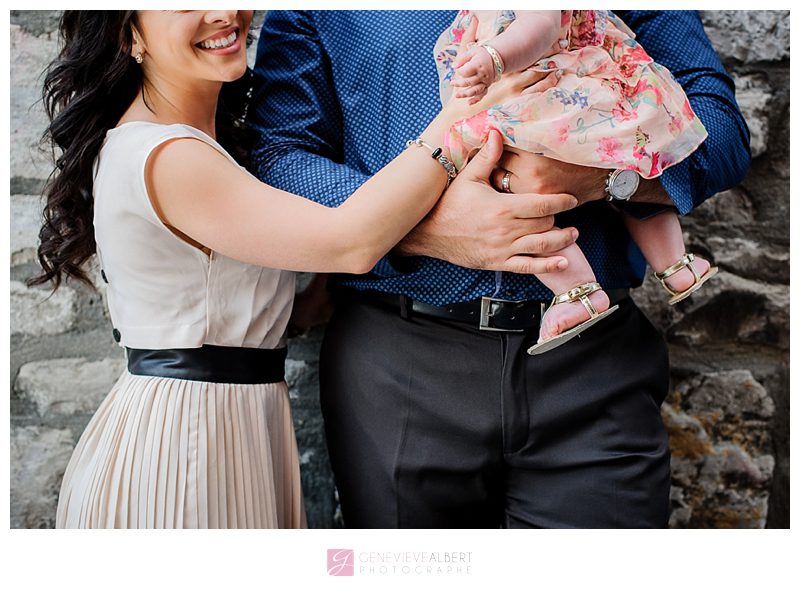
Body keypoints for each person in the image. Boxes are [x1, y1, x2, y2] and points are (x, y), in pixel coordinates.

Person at [37, 10, 574, 529]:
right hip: (184, 435)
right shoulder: (168, 154)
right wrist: (460, 113)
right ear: (130, 36)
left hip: (239, 423)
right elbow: (352, 244)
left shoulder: (208, 148)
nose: (225, 14)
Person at [250, 10, 750, 528]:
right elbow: (284, 154)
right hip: (399, 364)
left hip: (594, 367)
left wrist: (604, 177)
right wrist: (423, 228)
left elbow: (723, 132)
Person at [436, 9, 716, 353]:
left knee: (518, 194)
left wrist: (492, 58)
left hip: (551, 98)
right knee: (634, 160)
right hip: (583, 93)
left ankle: (578, 290)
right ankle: (676, 265)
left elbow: (541, 23)